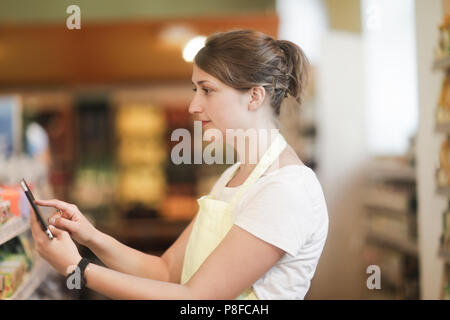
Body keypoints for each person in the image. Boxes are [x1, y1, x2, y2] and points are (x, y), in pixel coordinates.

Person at [29, 29, 329, 300]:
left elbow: (196, 297)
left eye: (207, 90)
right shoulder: (232, 176)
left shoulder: (284, 189)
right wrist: (90, 235)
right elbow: (167, 270)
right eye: (194, 90)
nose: (193, 105)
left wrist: (77, 268)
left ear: (254, 96)